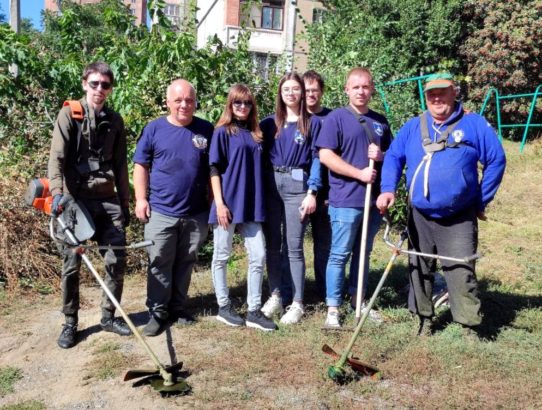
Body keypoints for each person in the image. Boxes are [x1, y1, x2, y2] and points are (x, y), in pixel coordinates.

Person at [376, 72, 506, 334]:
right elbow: (392, 157)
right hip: (420, 214)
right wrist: (388, 189)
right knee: (418, 268)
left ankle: (468, 325)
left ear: (454, 92)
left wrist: (482, 199)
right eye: (431, 94)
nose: (436, 98)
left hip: (459, 215)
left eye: (442, 92)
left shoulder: (474, 124)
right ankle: (423, 318)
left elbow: (496, 160)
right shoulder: (413, 126)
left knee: (460, 269)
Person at [48, 61, 131, 349]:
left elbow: (121, 165)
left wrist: (125, 202)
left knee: (116, 260)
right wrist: (57, 194)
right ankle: (70, 322)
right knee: (71, 263)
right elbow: (56, 158)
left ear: (110, 88)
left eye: (105, 85)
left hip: (108, 201)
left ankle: (109, 316)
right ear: (85, 83)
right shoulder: (69, 114)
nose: (99, 89)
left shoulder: (115, 120)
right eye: (94, 83)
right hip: (76, 200)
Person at [133, 79, 214, 337]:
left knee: (186, 261)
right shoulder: (154, 129)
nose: (184, 105)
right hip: (161, 211)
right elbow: (141, 166)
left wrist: (213, 202)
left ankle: (178, 308)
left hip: (195, 212)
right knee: (159, 261)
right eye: (178, 100)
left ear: (195, 102)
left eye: (189, 100)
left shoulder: (205, 129)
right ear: (167, 101)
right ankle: (157, 313)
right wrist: (140, 199)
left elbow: (214, 170)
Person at [316, 67, 392, 328]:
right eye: (356, 87)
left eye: (366, 86)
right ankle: (333, 308)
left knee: (364, 254)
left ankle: (357, 300)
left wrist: (381, 157)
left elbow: (392, 158)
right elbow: (326, 156)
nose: (361, 91)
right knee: (339, 254)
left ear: (372, 89)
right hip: (346, 200)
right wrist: (359, 174)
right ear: (347, 89)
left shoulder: (380, 122)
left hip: (372, 203)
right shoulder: (336, 118)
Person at [209, 84, 277, 331]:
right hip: (227, 204)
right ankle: (224, 306)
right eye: (238, 103)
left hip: (251, 204)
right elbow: (214, 168)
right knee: (222, 255)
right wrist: (219, 203)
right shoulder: (223, 132)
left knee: (258, 255)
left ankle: (253, 310)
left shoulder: (257, 134)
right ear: (230, 104)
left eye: (247, 103)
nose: (243, 107)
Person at [260, 72, 322, 324]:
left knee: (294, 246)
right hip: (272, 185)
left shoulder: (313, 123)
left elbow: (318, 158)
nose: (291, 93)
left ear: (302, 92)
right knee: (273, 245)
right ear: (280, 92)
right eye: (286, 88)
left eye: (295, 88)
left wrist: (312, 191)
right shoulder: (268, 123)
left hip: (299, 185)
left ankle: (297, 302)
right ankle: (276, 295)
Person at [303, 70, 332, 301]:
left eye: (315, 89)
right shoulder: (294, 117)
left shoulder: (332, 118)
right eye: (307, 90)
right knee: (292, 246)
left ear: (321, 91)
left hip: (327, 194)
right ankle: (294, 292)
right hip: (296, 192)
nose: (311, 94)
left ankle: (324, 291)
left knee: (324, 245)